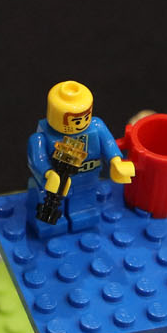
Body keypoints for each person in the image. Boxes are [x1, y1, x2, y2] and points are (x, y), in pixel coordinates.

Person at [26, 80, 134, 235]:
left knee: (84, 200)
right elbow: (38, 159)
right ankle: (53, 221)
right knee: (48, 200)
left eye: (85, 118)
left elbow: (109, 143)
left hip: (88, 176)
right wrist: (48, 173)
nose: (81, 123)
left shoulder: (96, 126)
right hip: (55, 182)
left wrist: (116, 161)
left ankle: (81, 216)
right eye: (76, 121)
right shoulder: (40, 138)